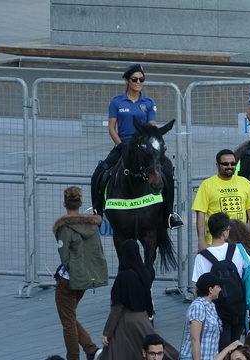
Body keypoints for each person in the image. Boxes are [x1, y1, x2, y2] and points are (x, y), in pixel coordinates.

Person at [90, 63, 183, 229]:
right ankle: (98, 210)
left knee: (167, 170)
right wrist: (121, 146)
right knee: (100, 171)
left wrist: (150, 144)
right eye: (135, 79)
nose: (138, 82)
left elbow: (152, 127)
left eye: (141, 79)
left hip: (144, 147)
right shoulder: (117, 102)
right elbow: (112, 128)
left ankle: (169, 214)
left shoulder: (148, 102)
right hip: (123, 144)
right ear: (127, 80)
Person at [53, 186, 108, 360]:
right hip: (85, 280)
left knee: (68, 322)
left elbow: (65, 257)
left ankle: (74, 356)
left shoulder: (64, 227)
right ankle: (91, 350)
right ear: (80, 203)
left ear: (64, 203)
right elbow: (96, 252)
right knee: (69, 316)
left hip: (68, 281)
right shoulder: (91, 225)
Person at [100, 240, 178, 360]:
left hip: (125, 321)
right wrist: (149, 316)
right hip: (142, 319)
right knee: (152, 347)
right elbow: (148, 298)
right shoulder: (143, 273)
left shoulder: (123, 276)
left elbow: (117, 307)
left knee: (119, 350)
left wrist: (107, 332)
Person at [192, 212, 250, 350]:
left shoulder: (201, 257)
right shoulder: (238, 249)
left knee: (221, 349)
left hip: (216, 311)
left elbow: (198, 289)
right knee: (235, 345)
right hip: (238, 307)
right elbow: (249, 272)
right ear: (225, 232)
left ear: (210, 231)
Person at [193, 149, 250, 250]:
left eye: (233, 163)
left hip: (240, 241)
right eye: (225, 164)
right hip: (215, 242)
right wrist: (201, 241)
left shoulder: (245, 183)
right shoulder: (207, 185)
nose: (230, 166)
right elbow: (200, 215)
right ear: (217, 165)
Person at [179, 273, 223, 360]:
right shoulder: (198, 306)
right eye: (218, 287)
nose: (220, 289)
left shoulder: (211, 306)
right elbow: (195, 339)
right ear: (210, 289)